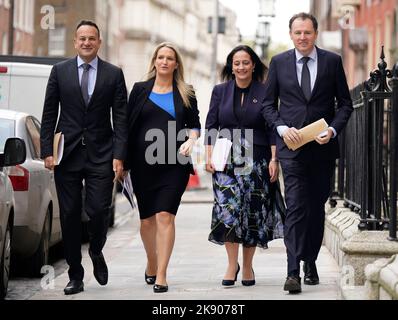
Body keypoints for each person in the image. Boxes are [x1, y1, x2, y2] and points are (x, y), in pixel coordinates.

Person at [262, 13, 353, 294]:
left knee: (316, 209)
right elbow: (267, 105)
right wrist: (280, 128)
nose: (303, 37)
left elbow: (346, 104)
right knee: (297, 208)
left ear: (315, 34)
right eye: (298, 32)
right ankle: (292, 271)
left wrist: (334, 130)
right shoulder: (278, 63)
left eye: (307, 32)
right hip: (292, 149)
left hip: (322, 150)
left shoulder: (332, 61)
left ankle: (310, 260)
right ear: (291, 35)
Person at [40, 20, 128, 295]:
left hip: (102, 154)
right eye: (82, 38)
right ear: (75, 42)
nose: (87, 42)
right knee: (68, 215)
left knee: (99, 209)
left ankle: (97, 249)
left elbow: (121, 118)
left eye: (92, 38)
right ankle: (75, 275)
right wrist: (46, 151)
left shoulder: (114, 74)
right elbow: (49, 113)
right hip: (67, 155)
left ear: (99, 42)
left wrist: (119, 155)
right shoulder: (60, 71)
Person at [204, 45, 285, 287]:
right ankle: (232, 264)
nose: (241, 67)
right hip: (226, 160)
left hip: (257, 159)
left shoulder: (265, 91)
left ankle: (247, 265)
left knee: (252, 213)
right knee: (228, 213)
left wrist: (274, 159)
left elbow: (272, 127)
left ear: (253, 65)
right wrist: (208, 155)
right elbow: (211, 125)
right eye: (236, 63)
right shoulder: (220, 91)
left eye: (245, 62)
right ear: (231, 66)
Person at [124, 42, 201, 293]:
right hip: (143, 163)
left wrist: (191, 140)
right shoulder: (139, 90)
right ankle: (151, 261)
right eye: (161, 57)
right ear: (155, 61)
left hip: (174, 164)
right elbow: (127, 126)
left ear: (176, 64)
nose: (165, 61)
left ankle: (162, 274)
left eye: (170, 58)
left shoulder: (186, 92)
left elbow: (195, 124)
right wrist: (122, 161)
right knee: (147, 221)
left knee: (165, 216)